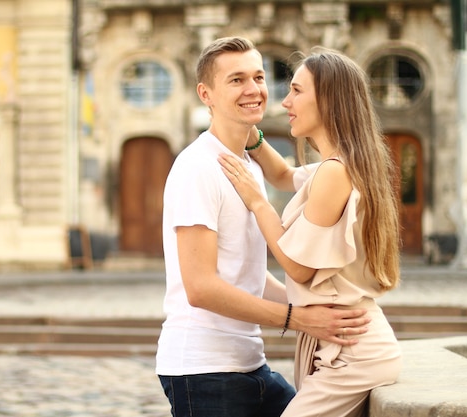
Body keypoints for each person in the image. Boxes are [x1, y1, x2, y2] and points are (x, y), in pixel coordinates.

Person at [156, 36, 372, 417]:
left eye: (259, 77)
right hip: (203, 370)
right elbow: (201, 288)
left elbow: (249, 275)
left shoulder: (248, 167)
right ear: (205, 94)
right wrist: (300, 319)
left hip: (250, 364)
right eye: (236, 80)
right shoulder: (198, 168)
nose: (254, 89)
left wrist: (324, 310)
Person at [218, 47, 402, 417]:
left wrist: (258, 203)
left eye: (297, 91)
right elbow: (284, 176)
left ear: (330, 101)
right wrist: (247, 132)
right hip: (346, 344)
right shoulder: (340, 166)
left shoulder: (336, 172)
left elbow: (300, 268)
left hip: (353, 354)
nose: (286, 101)